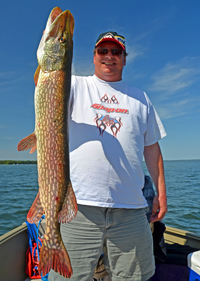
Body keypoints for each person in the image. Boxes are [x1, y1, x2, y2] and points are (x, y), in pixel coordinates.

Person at [49, 31, 167, 281]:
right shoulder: (73, 85)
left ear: (124, 58)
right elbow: (45, 79)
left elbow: (152, 149)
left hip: (132, 208)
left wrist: (161, 193)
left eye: (116, 52)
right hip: (77, 206)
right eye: (103, 51)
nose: (109, 56)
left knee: (135, 277)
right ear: (94, 56)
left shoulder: (141, 98)